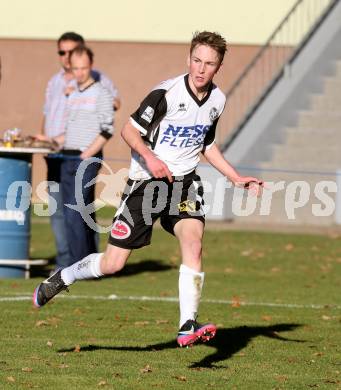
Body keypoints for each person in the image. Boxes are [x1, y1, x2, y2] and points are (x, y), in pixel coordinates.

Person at [33, 31, 263, 347]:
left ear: (218, 67)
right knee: (113, 264)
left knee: (193, 244)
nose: (201, 69)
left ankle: (186, 326)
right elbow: (129, 131)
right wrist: (152, 159)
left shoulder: (218, 100)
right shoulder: (165, 93)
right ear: (189, 59)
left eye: (209, 64)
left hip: (183, 184)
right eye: (196, 60)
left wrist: (235, 178)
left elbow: (206, 145)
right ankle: (64, 277)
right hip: (146, 184)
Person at [40, 32, 120, 270]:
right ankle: (83, 263)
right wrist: (51, 141)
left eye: (83, 67)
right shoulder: (71, 93)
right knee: (68, 211)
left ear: (90, 66)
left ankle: (80, 264)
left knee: (77, 210)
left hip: (84, 158)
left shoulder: (100, 90)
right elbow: (68, 128)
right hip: (66, 156)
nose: (79, 72)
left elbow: (107, 128)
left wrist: (87, 155)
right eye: (75, 68)